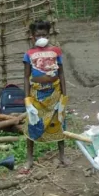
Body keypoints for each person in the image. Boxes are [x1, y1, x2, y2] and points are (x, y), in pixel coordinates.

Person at [22, 20, 68, 173]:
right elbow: (26, 76)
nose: (41, 37)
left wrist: (64, 95)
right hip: (36, 94)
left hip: (54, 93)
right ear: (32, 37)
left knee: (59, 122)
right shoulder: (28, 54)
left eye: (44, 34)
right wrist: (27, 99)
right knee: (32, 124)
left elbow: (61, 73)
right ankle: (29, 158)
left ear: (48, 35)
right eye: (37, 35)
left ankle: (62, 155)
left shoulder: (56, 51)